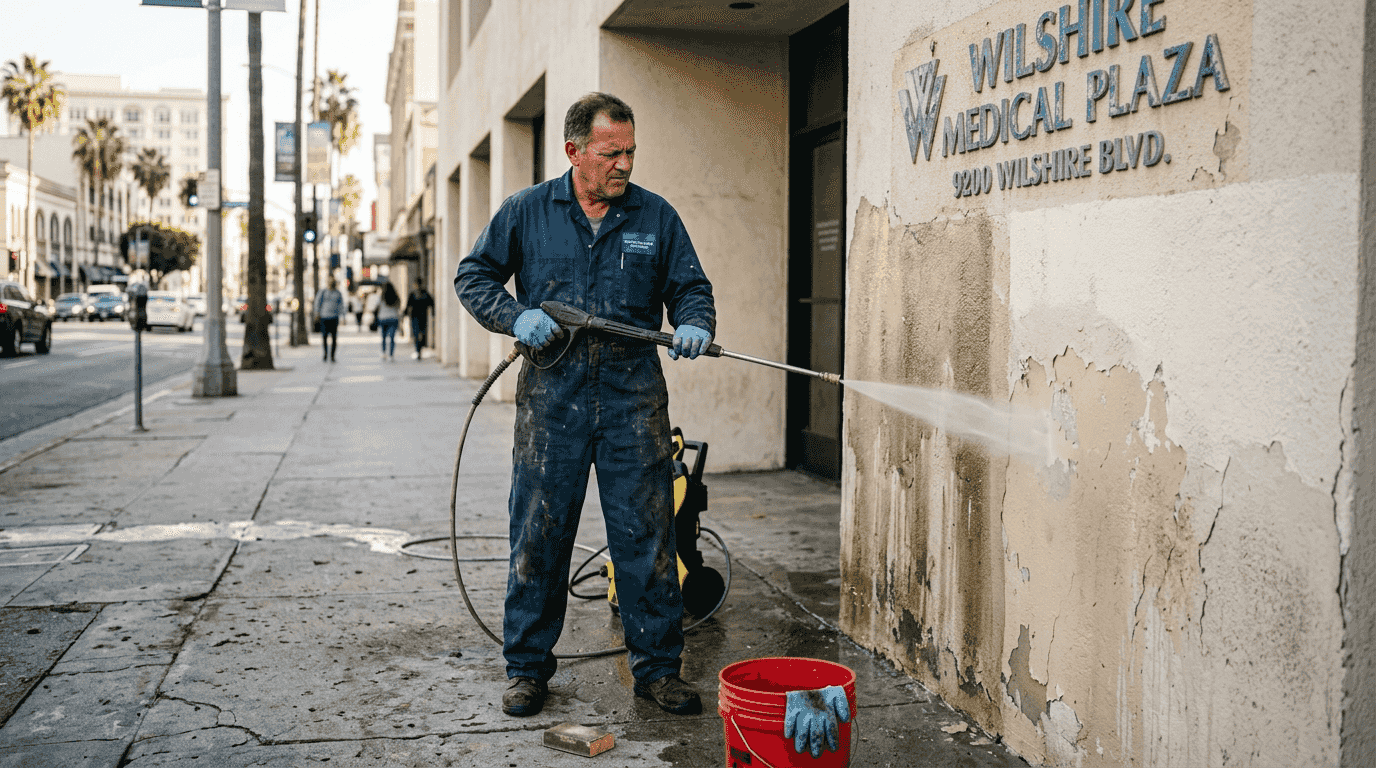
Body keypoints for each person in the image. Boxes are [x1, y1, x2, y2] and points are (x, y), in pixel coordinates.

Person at [455, 92, 715, 719]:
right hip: (554, 401)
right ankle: (527, 670)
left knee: (646, 537)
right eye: (610, 153)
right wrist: (518, 315)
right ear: (574, 151)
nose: (624, 164)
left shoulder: (657, 217)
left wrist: (694, 323)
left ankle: (657, 670)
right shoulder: (526, 212)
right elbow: (474, 276)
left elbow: (691, 289)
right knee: (540, 537)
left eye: (630, 151)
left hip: (634, 400)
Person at [313, 278, 345, 362]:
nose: (331, 284)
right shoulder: (323, 292)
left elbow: (341, 305)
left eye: (333, 283)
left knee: (334, 338)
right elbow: (317, 302)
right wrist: (317, 313)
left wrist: (343, 317)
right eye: (330, 282)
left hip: (334, 317)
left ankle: (332, 356)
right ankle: (325, 354)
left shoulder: (338, 293)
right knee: (324, 337)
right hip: (324, 317)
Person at [403, 279, 435, 360]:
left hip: (423, 317)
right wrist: (405, 314)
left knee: (422, 334)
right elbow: (408, 305)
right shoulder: (413, 294)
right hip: (415, 317)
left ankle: (420, 349)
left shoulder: (425, 293)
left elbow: (431, 302)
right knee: (416, 334)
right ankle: (418, 351)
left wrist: (433, 313)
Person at [376, 282, 401, 360]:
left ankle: (383, 353)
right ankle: (391, 354)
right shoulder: (396, 297)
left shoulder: (381, 297)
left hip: (383, 319)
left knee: (383, 337)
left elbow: (377, 307)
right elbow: (398, 307)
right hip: (393, 318)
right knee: (392, 338)